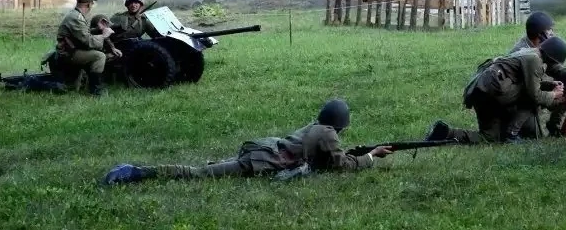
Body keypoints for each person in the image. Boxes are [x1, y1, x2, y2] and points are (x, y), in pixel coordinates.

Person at [102, 99, 394, 185]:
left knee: (207, 169)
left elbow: (326, 161)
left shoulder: (316, 127)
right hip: (262, 161)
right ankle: (137, 172)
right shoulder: (328, 134)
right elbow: (340, 165)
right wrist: (371, 157)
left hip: (263, 150)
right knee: (199, 173)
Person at [423, 37, 566, 145]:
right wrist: (557, 95)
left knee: (489, 137)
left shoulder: (530, 53)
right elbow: (534, 95)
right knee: (530, 98)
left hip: (483, 92)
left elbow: (525, 82)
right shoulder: (534, 60)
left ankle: (445, 132)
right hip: (492, 93)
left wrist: (549, 86)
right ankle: (511, 135)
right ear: (552, 58)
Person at [55, 0, 114, 96]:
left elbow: (82, 34)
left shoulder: (77, 15)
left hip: (73, 49)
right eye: (92, 3)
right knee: (99, 56)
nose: (92, 6)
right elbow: (88, 41)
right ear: (88, 4)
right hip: (69, 53)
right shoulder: (76, 18)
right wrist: (104, 35)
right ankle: (95, 90)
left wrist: (97, 30)